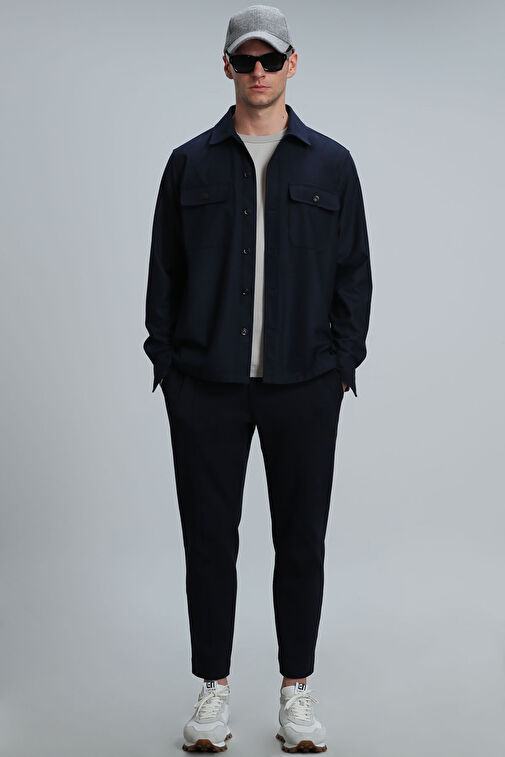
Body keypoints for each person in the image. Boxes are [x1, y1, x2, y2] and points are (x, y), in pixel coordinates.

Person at [143, 4, 373, 752]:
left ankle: (294, 691)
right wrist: (169, 367)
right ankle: (212, 689)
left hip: (303, 383)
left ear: (291, 63)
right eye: (245, 60)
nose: (259, 72)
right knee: (209, 541)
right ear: (227, 68)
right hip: (205, 384)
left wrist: (340, 366)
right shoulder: (189, 163)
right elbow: (164, 272)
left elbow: (353, 272)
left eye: (270, 59)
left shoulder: (330, 164)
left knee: (300, 540)